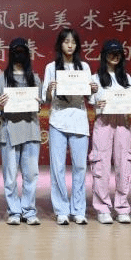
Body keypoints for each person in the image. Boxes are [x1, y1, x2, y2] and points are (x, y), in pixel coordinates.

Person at [42, 28, 96, 225]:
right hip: (58, 119)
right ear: (60, 44)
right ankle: (61, 210)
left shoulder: (84, 67)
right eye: (66, 41)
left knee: (80, 166)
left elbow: (90, 98)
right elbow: (46, 98)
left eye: (73, 42)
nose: (70, 45)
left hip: (79, 119)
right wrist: (50, 89)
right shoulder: (51, 67)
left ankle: (78, 210)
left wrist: (93, 89)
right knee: (57, 167)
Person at [89, 39, 131, 224]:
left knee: (124, 163)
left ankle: (122, 207)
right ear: (104, 55)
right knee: (101, 164)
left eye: (118, 53)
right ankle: (102, 208)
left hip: (123, 123)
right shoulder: (95, 78)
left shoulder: (126, 78)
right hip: (103, 122)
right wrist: (98, 103)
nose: (115, 56)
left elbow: (130, 103)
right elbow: (92, 102)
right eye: (111, 53)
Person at [0, 38, 42, 226]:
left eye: (22, 51)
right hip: (8, 130)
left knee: (31, 175)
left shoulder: (35, 78)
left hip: (30, 129)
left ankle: (29, 211)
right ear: (10, 53)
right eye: (16, 51)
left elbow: (39, 106)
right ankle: (14, 211)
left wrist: (38, 103)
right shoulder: (1, 78)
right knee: (10, 176)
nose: (19, 54)